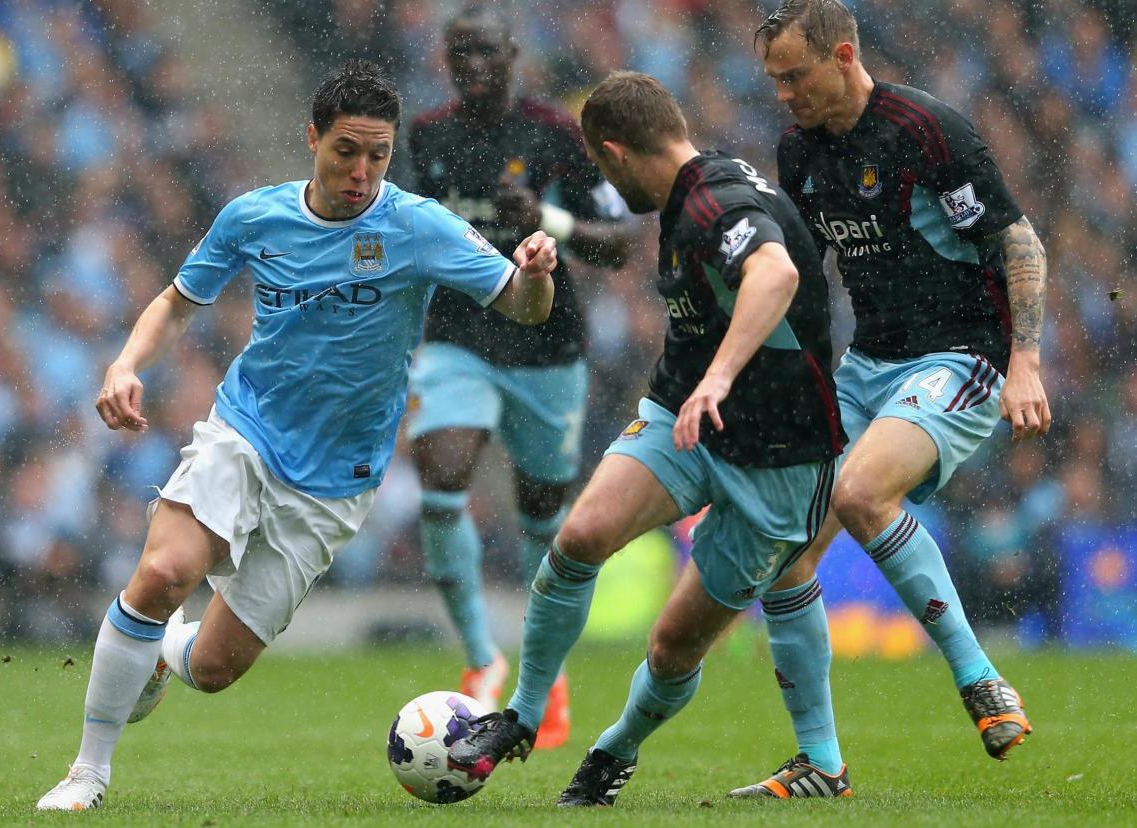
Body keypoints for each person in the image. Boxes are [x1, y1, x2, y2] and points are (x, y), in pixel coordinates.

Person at [35, 59, 559, 812]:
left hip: (333, 481)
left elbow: (523, 308)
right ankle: (87, 772)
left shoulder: (416, 225)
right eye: (347, 150)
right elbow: (178, 302)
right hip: (244, 431)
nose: (361, 170)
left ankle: (158, 655)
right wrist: (124, 364)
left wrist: (536, 271)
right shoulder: (255, 217)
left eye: (378, 154)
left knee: (213, 668)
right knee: (158, 576)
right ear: (312, 137)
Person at [446, 71, 848, 807]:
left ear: (617, 151)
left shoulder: (713, 202)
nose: (605, 182)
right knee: (580, 537)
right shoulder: (692, 192)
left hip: (778, 454)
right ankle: (523, 717)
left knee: (673, 645)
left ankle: (614, 751)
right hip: (683, 416)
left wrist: (721, 376)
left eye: (602, 169)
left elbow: (777, 271)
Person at [727, 0, 1051, 799]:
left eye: (794, 76)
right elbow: (798, 272)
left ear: (842, 55)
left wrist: (1027, 360)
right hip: (867, 364)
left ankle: (978, 678)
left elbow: (1017, 238)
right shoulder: (798, 150)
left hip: (961, 355)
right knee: (786, 555)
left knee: (862, 490)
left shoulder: (926, 129)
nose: (783, 93)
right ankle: (822, 765)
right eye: (772, 80)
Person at [405, 5, 633, 746]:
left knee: (543, 515)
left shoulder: (556, 136)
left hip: (546, 347)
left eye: (485, 52)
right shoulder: (427, 136)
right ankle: (479, 659)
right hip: (458, 336)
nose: (472, 65)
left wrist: (547, 219)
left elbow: (620, 243)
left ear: (513, 55)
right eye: (459, 54)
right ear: (446, 61)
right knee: (441, 467)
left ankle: (548, 673)